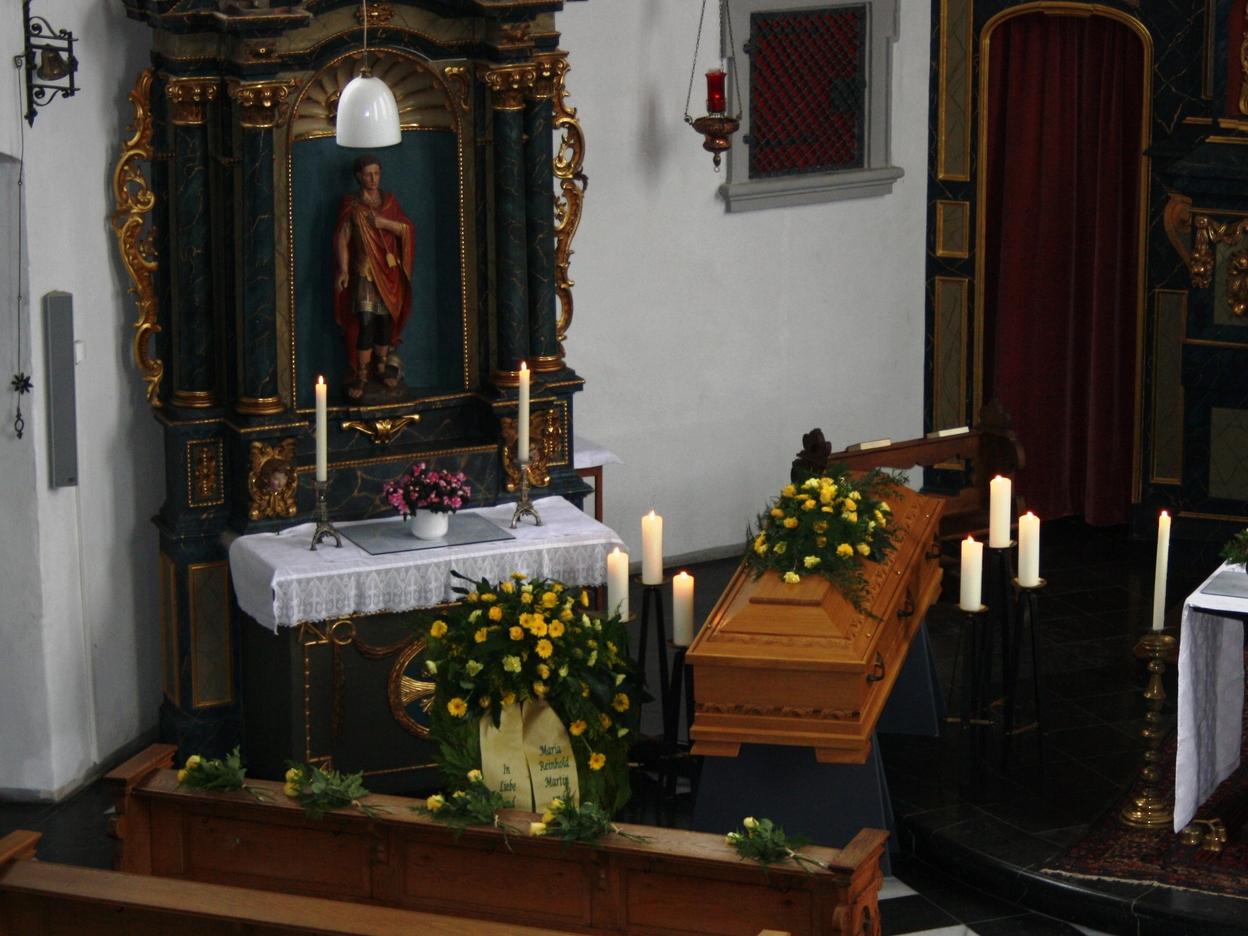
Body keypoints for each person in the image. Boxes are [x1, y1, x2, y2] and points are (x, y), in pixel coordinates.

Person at [333, 154, 414, 400]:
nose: (373, 178)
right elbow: (343, 238)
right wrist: (344, 269)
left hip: (388, 271)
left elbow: (405, 229)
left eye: (376, 173)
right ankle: (361, 373)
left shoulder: (388, 202)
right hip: (364, 270)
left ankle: (381, 367)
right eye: (368, 174)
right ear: (359, 176)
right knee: (365, 320)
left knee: (384, 320)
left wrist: (383, 223)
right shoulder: (352, 205)